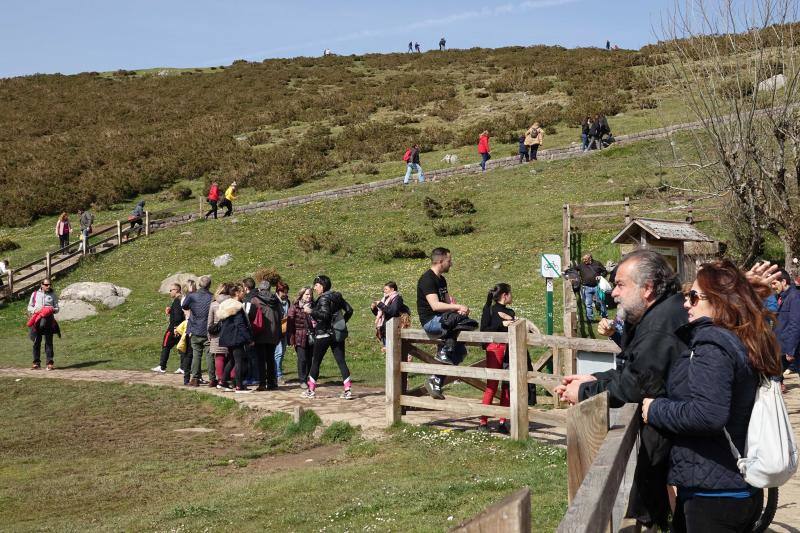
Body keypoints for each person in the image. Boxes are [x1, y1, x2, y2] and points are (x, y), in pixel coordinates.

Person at [642, 260, 782, 532]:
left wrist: (656, 409)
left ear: (718, 302)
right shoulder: (740, 336)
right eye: (686, 296)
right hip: (734, 489)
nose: (686, 304)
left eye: (694, 297)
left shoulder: (714, 344)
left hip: (715, 497)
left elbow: (708, 414)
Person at [555, 249, 688, 528]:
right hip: (677, 439)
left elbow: (634, 385)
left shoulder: (658, 327)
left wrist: (583, 394)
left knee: (677, 515)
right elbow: (634, 369)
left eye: (620, 285)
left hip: (680, 444)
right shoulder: (659, 314)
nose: (613, 293)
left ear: (648, 288)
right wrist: (592, 379)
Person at [417, 247, 470, 399]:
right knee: (454, 347)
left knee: (467, 329)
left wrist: (458, 311)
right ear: (440, 261)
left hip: (443, 319)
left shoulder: (442, 279)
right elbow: (435, 306)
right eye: (449, 260)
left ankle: (435, 379)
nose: (451, 263)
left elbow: (447, 302)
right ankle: (443, 352)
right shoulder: (427, 279)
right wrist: (457, 307)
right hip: (431, 321)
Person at [302, 275, 354, 399]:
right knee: (341, 361)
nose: (315, 288)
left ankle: (310, 390)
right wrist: (340, 323)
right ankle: (348, 390)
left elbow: (324, 315)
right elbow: (350, 310)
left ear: (322, 286)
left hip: (323, 334)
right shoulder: (337, 296)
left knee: (316, 362)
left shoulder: (324, 298)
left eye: (317, 285)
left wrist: (311, 312)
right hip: (336, 334)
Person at [478, 283, 515, 434]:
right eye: (510, 293)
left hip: (509, 349)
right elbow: (485, 330)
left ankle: (502, 421)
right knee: (492, 385)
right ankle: (483, 421)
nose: (512, 296)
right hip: (495, 348)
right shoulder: (490, 310)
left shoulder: (510, 311)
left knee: (506, 385)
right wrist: (503, 323)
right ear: (504, 295)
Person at [218, 283, 254, 393]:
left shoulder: (225, 305)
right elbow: (240, 324)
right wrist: (249, 339)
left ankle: (223, 382)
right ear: (237, 293)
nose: (244, 293)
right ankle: (239, 386)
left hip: (227, 337)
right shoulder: (237, 306)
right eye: (242, 291)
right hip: (236, 337)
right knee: (238, 361)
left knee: (232, 360)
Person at [247, 279, 282, 391]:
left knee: (261, 359)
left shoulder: (255, 300)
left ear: (260, 288)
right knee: (271, 358)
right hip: (273, 332)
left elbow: (250, 317)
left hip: (260, 332)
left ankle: (262, 383)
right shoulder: (276, 300)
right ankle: (272, 383)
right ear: (269, 289)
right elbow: (280, 316)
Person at [182, 275, 214, 387]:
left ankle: (195, 378)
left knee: (196, 355)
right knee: (209, 355)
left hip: (195, 328)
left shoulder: (192, 296)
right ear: (209, 285)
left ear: (199, 284)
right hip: (208, 329)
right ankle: (212, 379)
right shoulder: (212, 297)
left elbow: (184, 306)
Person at [27, 278, 60, 370]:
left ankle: (49, 363)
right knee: (37, 341)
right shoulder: (35, 294)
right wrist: (35, 310)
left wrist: (52, 309)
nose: (48, 286)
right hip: (37, 319)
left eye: (49, 284)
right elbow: (29, 307)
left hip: (49, 320)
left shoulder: (53, 295)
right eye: (46, 285)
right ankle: (36, 363)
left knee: (49, 342)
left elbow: (57, 308)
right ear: (41, 285)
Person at [772, 269, 800, 379]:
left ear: (783, 282)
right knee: (775, 378)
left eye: (774, 283)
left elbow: (795, 324)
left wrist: (790, 350)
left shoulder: (795, 297)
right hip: (780, 348)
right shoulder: (780, 297)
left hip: (790, 349)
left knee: (775, 377)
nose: (772, 286)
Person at [152, 283, 184, 373]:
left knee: (166, 345)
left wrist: (175, 327)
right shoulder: (180, 300)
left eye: (171, 290)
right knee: (181, 347)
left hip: (173, 329)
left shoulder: (177, 301)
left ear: (176, 290)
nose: (170, 292)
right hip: (180, 328)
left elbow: (178, 316)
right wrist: (171, 311)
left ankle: (162, 366)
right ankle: (183, 367)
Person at [288, 286, 314, 388]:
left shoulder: (314, 306)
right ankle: (302, 380)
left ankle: (306, 377)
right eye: (307, 294)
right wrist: (291, 338)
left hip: (311, 336)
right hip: (299, 336)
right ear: (302, 295)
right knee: (302, 358)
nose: (309, 296)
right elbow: (290, 324)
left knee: (309, 359)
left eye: (310, 294)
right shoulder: (295, 307)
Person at [208, 282, 232, 390]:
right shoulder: (232, 302)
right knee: (231, 357)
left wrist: (209, 334)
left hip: (216, 334)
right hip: (229, 332)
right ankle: (230, 378)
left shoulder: (214, 304)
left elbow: (210, 321)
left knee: (219, 357)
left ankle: (220, 379)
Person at [371, 281, 410, 347]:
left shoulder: (397, 299)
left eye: (386, 289)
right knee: (387, 353)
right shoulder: (385, 299)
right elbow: (382, 314)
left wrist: (380, 304)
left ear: (392, 289)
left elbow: (392, 312)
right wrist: (374, 308)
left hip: (393, 330)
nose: (384, 291)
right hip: (384, 329)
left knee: (394, 353)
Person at [577, 253, 608, 322]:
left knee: (600, 302)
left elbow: (605, 271)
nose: (584, 261)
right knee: (588, 304)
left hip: (597, 286)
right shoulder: (582, 265)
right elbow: (574, 269)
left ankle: (604, 317)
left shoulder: (597, 263)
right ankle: (590, 319)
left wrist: (601, 276)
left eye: (585, 259)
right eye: (583, 259)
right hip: (586, 287)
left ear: (590, 258)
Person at [273, 281, 290, 385]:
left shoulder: (287, 301)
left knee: (282, 352)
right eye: (283, 292)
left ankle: (276, 373)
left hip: (285, 330)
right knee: (278, 353)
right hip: (276, 330)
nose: (285, 294)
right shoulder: (274, 301)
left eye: (286, 292)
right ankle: (278, 375)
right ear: (278, 291)